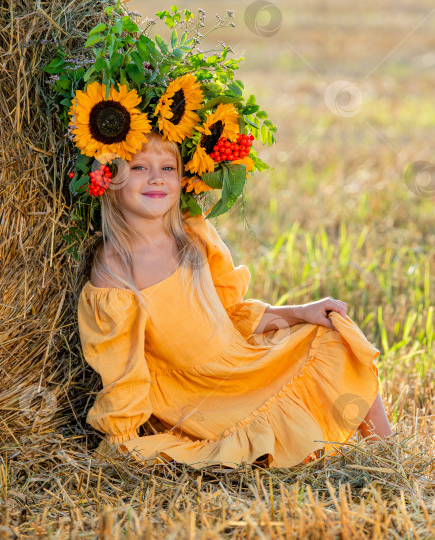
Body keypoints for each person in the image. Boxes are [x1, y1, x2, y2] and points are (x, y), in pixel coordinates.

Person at [76, 128, 393, 469]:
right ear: (108, 177)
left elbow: (231, 314)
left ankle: (387, 455)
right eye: (139, 168)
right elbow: (125, 368)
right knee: (266, 444)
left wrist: (301, 312)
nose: (156, 179)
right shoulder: (116, 269)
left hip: (243, 363)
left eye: (168, 168)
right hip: (202, 397)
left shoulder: (190, 233)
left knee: (333, 335)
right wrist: (122, 439)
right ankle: (301, 452)